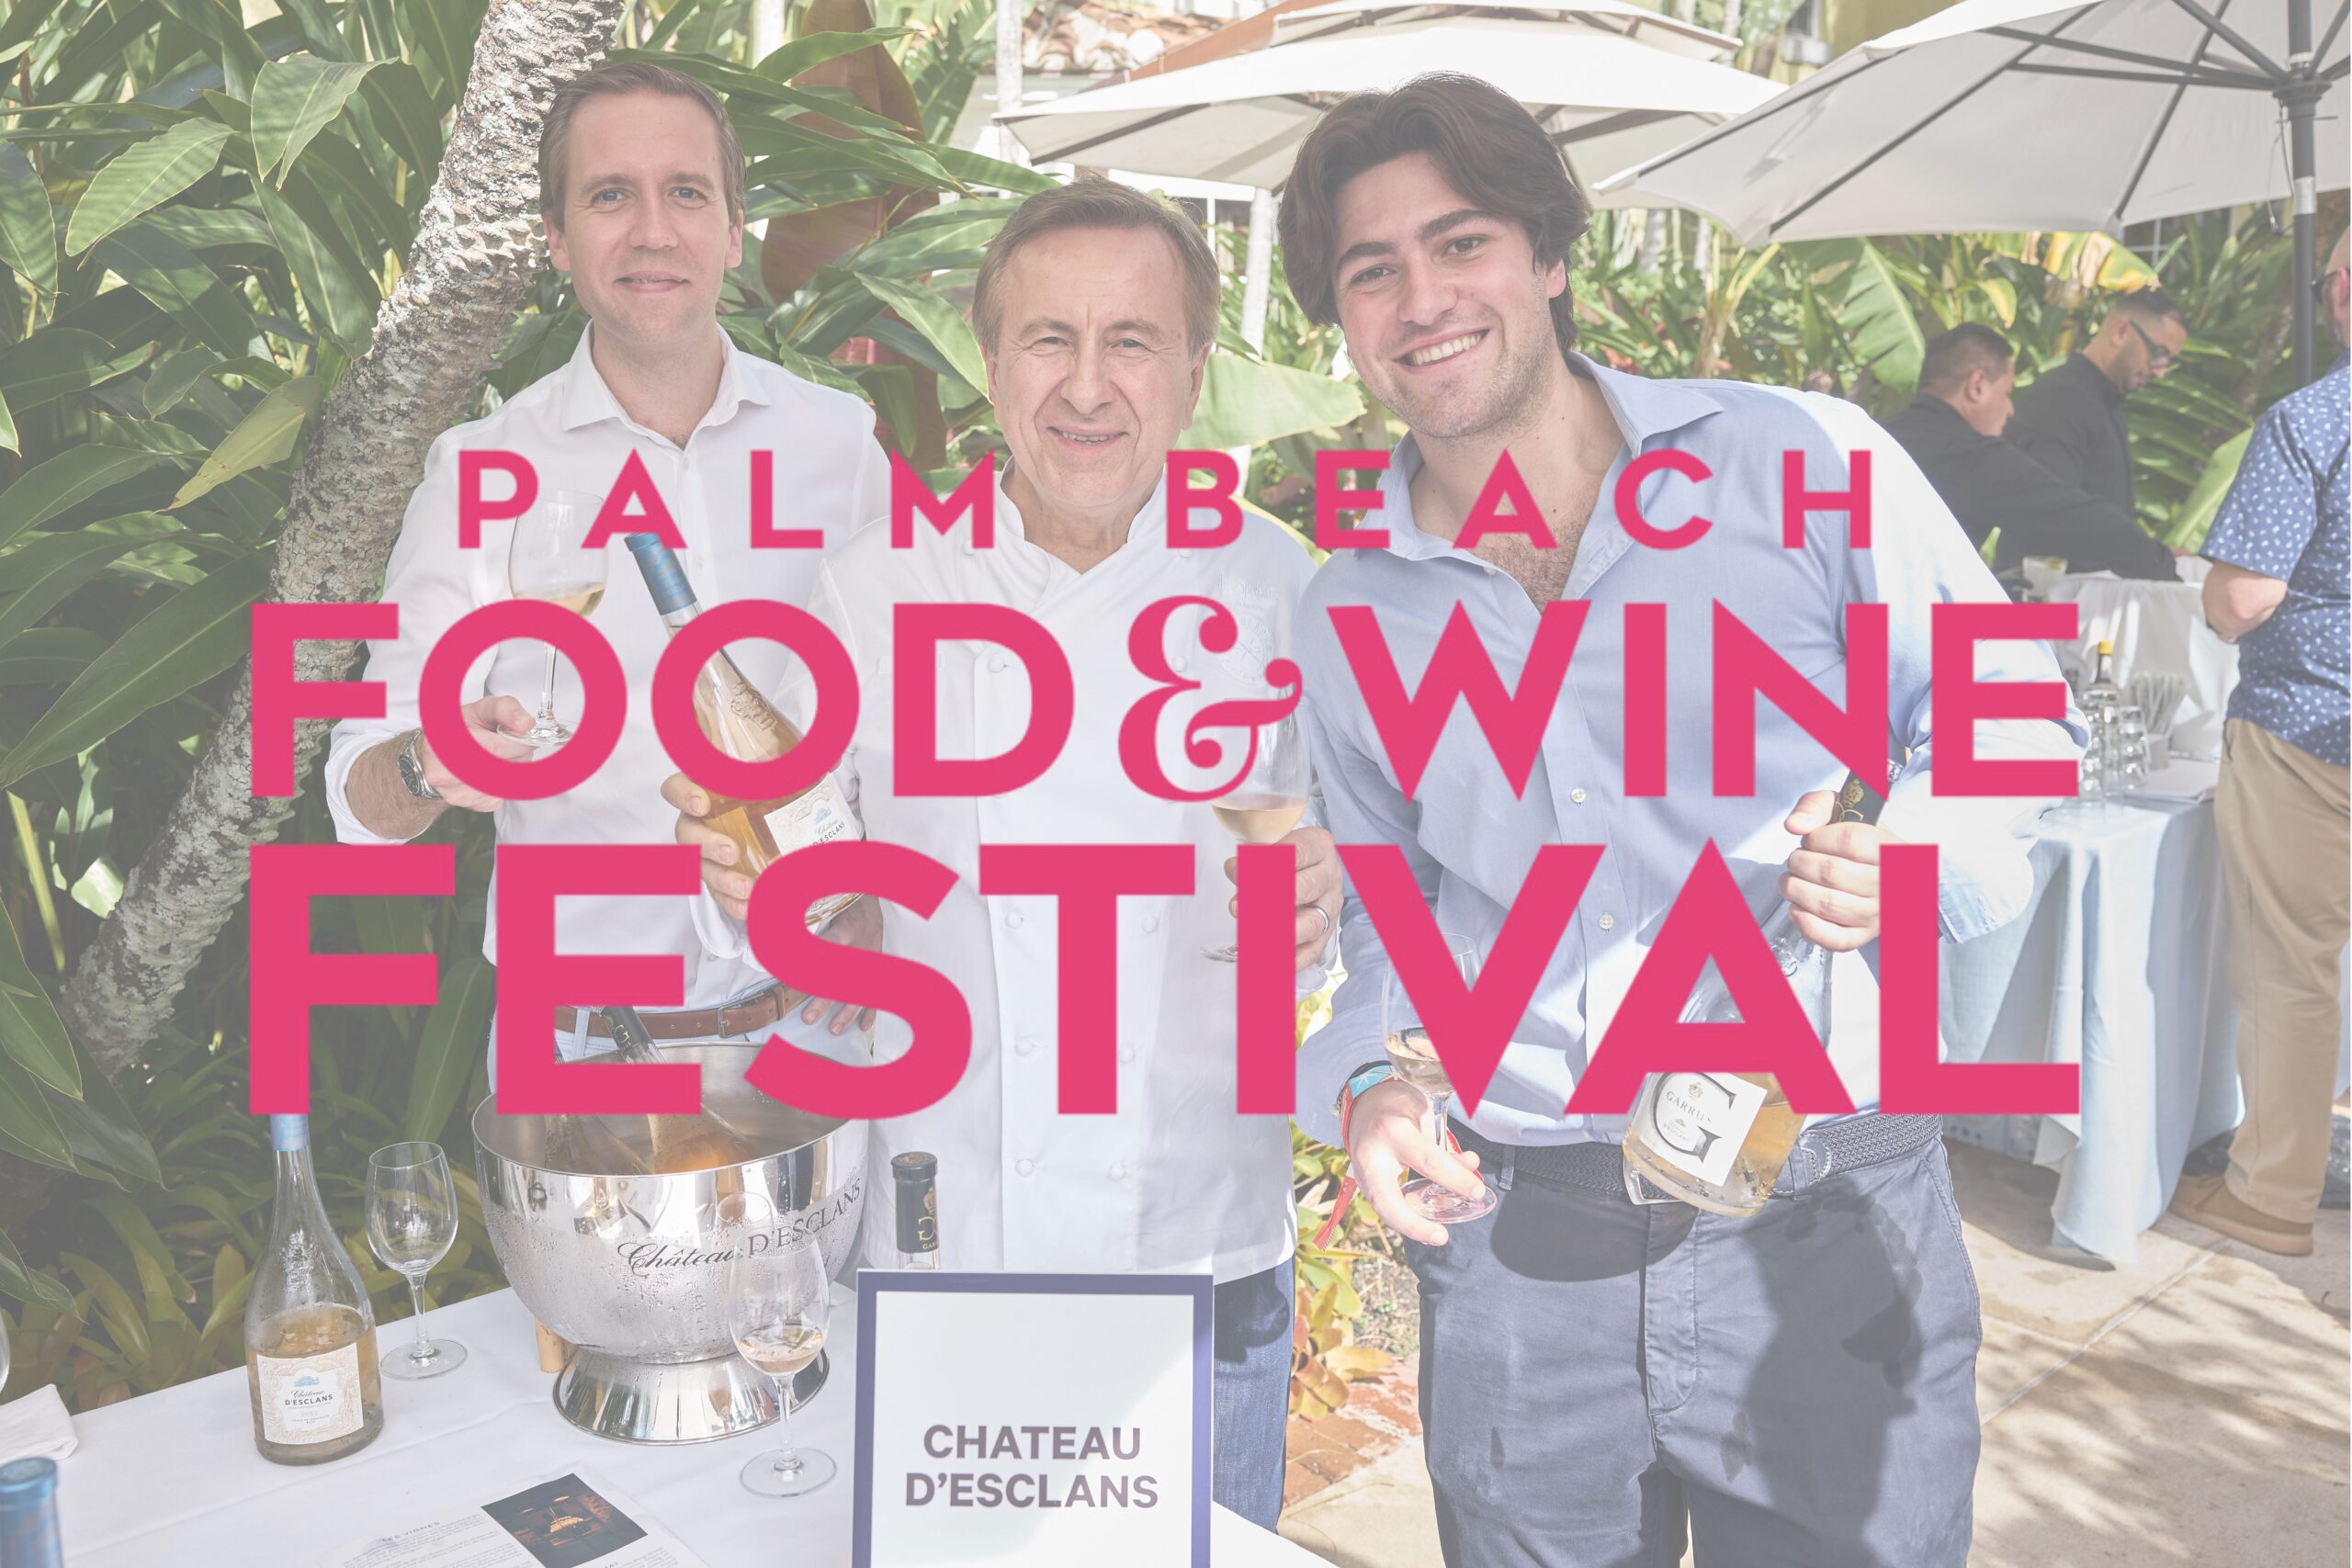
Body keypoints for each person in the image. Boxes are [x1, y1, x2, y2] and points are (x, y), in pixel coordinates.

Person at [1277, 73, 2083, 1566]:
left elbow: (2009, 713)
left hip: (1821, 1211)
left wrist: (1918, 858)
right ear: (1343, 317)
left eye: (1460, 244)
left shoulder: (1805, 463)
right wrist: (1363, 1085)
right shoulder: (1352, 616)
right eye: (1369, 269)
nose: (1421, 297)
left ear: (1552, 253)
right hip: (1523, 1246)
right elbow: (1374, 925)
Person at [665, 180, 1340, 1530]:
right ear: (989, 362)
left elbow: (1378, 925)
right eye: (1049, 340)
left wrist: (1335, 899)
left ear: (1197, 372)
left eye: (1133, 341)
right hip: (945, 1246)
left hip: (1198, 1261)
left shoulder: (1290, 594)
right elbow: (823, 933)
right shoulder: (878, 587)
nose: (1087, 387)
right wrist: (756, 899)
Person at [324, 62, 890, 1062]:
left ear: (731, 226)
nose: (653, 231)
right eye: (609, 196)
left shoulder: (838, 446)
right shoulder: (480, 473)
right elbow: (360, 804)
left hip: (816, 1033)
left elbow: (915, 727)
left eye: (685, 192)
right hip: (584, 1054)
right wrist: (428, 760)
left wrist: (884, 896)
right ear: (557, 239)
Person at [2169, 230, 2352, 1258]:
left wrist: (2207, 587)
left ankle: (2273, 1195)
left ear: (2338, 293)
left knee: (2292, 969)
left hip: (2308, 732)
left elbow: (2241, 601)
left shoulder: (2315, 417)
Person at [1883, 323, 2178, 581]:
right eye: (2007, 392)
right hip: (1898, 632)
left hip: (1850, 622)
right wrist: (2162, 562)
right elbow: (2073, 516)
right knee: (2052, 631)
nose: (2010, 408)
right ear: (1977, 387)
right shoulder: (1971, 457)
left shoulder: (1875, 437)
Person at [2006, 288, 2187, 516]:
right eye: (2159, 353)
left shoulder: (2104, 403)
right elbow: (2052, 513)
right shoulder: (2062, 400)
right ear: (2121, 332)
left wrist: (2147, 550)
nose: (2160, 372)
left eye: (2168, 361)